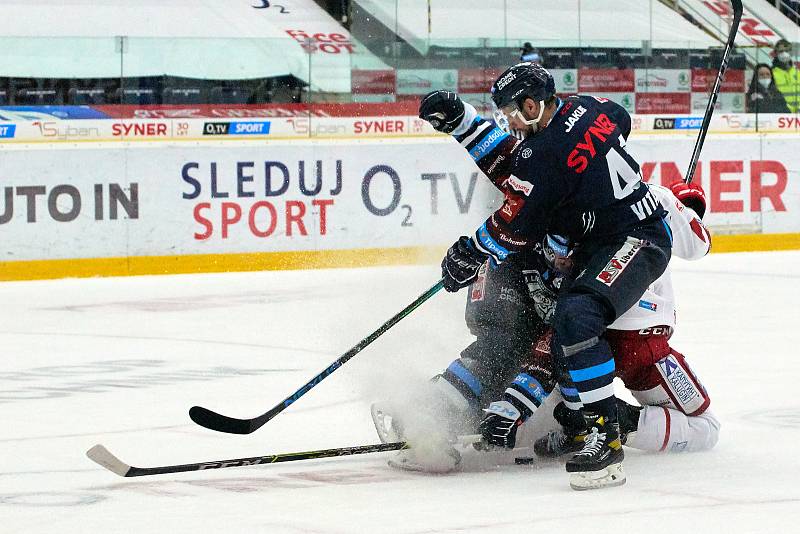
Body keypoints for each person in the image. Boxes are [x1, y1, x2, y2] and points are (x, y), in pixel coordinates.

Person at [416, 62, 673, 490]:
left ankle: (604, 440)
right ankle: (570, 420)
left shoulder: (544, 157)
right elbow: (612, 126)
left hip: (636, 239)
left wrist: (470, 253)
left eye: (513, 113)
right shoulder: (589, 105)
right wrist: (463, 124)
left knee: (577, 318)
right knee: (560, 324)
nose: (510, 122)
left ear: (533, 105)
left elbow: (512, 225)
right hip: (606, 238)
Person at [480, 182, 720, 462]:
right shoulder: (651, 195)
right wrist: (685, 208)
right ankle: (620, 421)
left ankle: (574, 423)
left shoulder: (558, 202)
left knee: (565, 362)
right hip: (640, 338)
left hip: (581, 333)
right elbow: (699, 244)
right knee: (706, 427)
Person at [772, 39, 799, 113]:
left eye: (787, 51)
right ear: (775, 53)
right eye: (781, 51)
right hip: (782, 114)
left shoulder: (798, 73)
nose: (784, 53)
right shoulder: (772, 74)